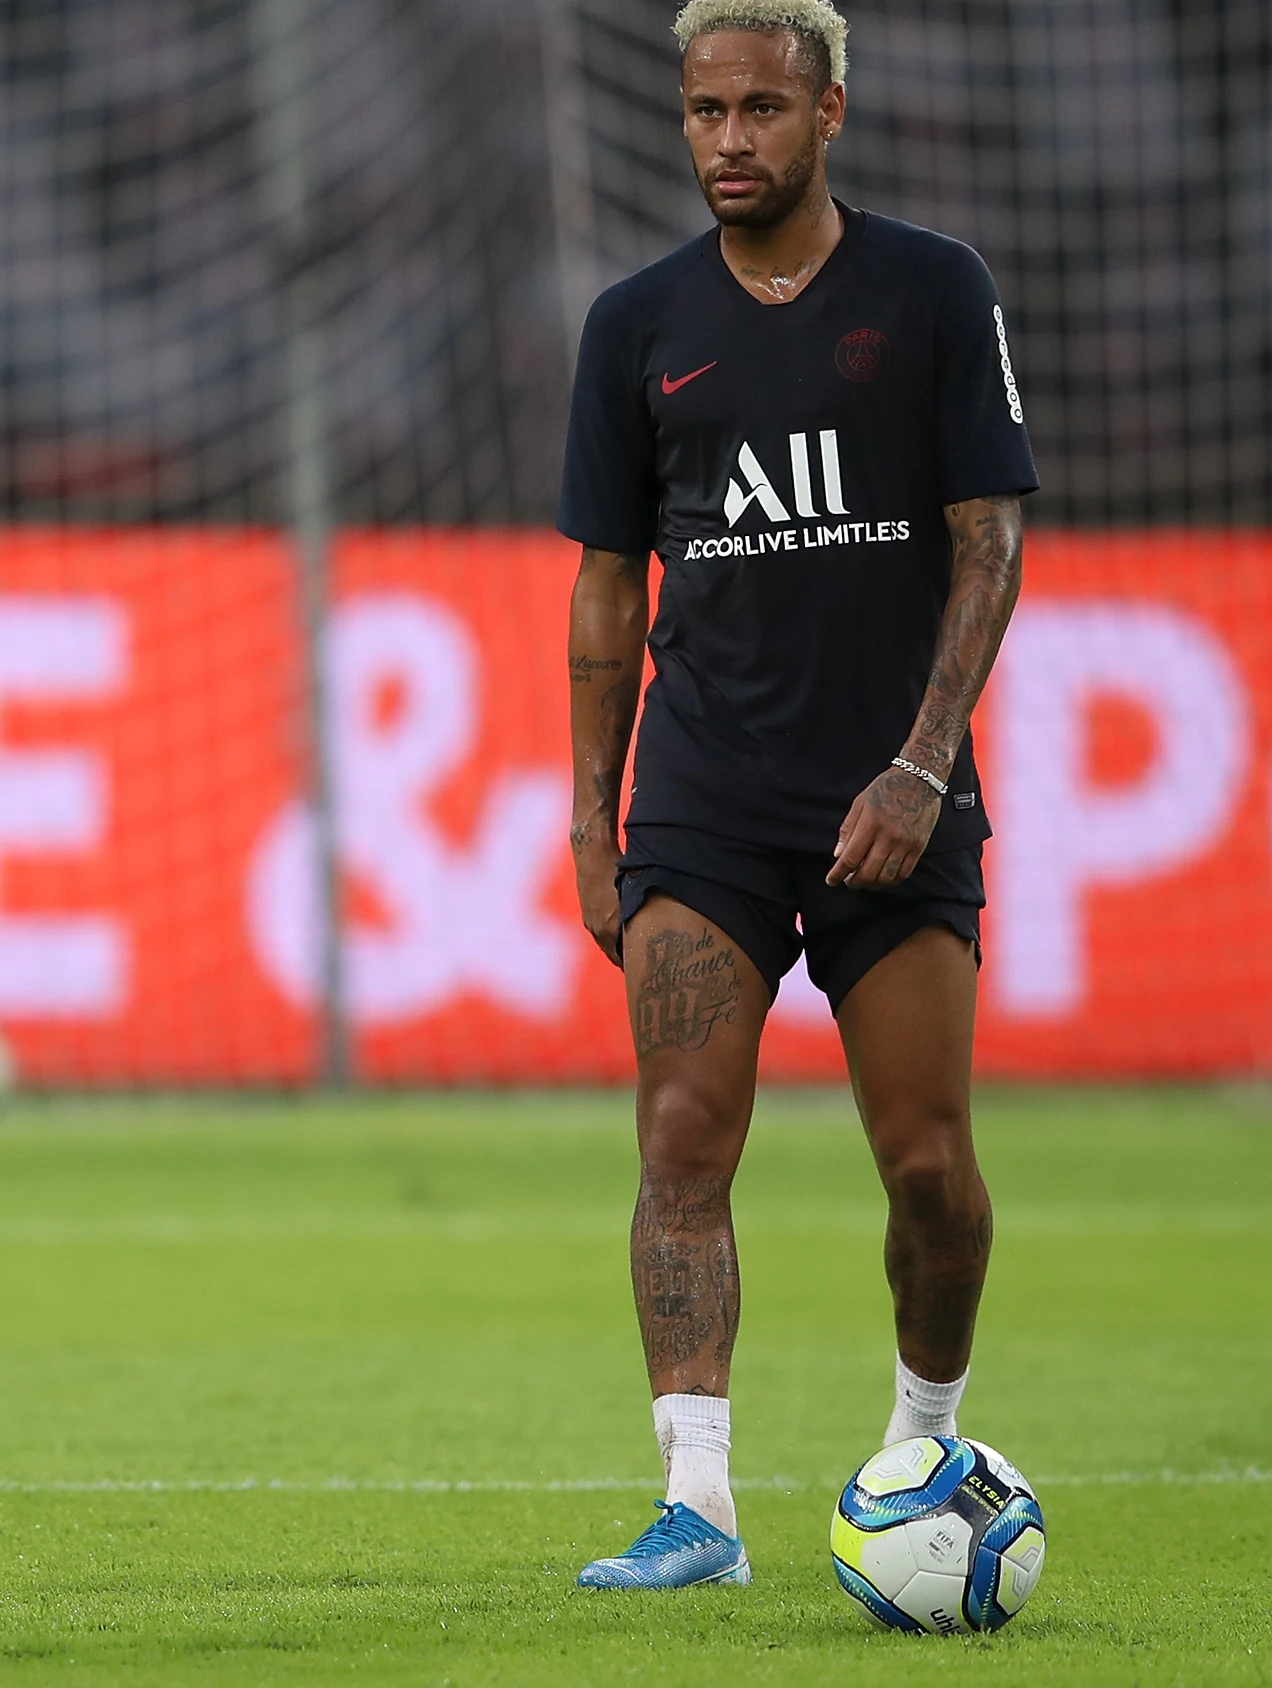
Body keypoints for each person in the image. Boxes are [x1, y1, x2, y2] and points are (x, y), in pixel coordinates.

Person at [556, 0, 1035, 1589]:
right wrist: (589, 816)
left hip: (891, 797)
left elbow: (990, 546)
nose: (726, 142)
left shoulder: (931, 290)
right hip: (703, 799)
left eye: (760, 109)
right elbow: (609, 593)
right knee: (682, 1140)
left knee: (929, 1173)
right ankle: (699, 1508)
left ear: (831, 110)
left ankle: (924, 1443)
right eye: (703, 110)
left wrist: (923, 759)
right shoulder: (634, 324)